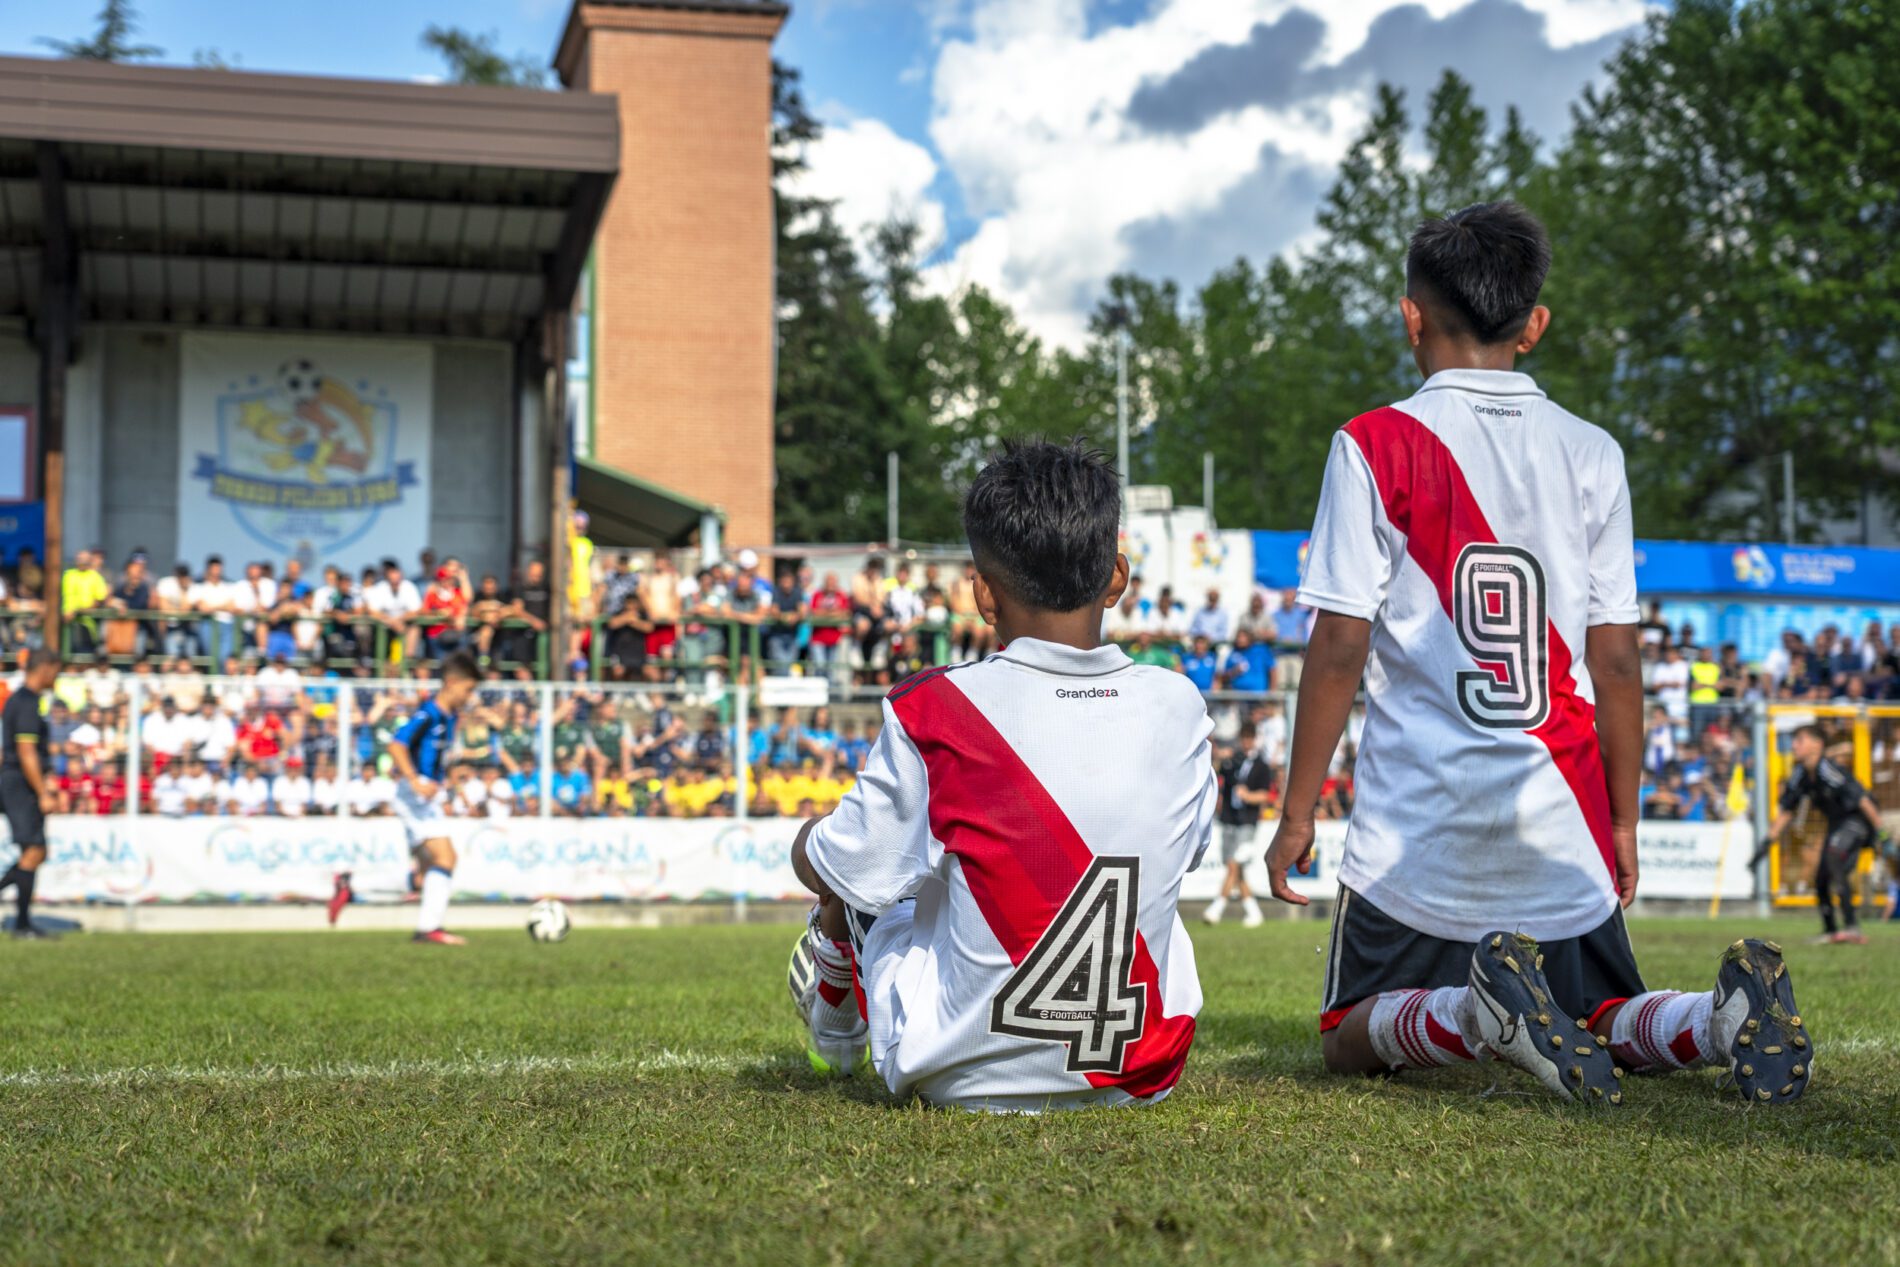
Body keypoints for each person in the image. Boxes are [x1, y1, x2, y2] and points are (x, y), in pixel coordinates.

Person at [1262, 201, 1811, 1106]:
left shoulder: (1371, 444)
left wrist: (1295, 813)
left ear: (1411, 316)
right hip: (1563, 818)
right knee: (1603, 1011)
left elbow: (1338, 648)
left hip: (1419, 839)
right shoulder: (1594, 452)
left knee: (1349, 1033)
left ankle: (1478, 1016)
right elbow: (1620, 662)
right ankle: (1714, 1021)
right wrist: (1623, 822)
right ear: (1536, 323)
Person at [785, 438, 1216, 1108]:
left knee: (875, 867)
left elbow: (845, 864)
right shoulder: (1180, 704)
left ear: (984, 595)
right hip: (1139, 1077)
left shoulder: (936, 708)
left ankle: (835, 984)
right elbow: (1185, 851)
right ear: (1117, 576)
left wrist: (807, 846)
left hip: (961, 1079)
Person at [328, 654, 481, 943]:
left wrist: (452, 792)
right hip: (414, 794)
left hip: (427, 794)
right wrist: (414, 781)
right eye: (468, 689)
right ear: (451, 683)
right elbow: (397, 745)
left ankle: (353, 886)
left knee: (425, 876)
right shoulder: (429, 713)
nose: (470, 696)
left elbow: (440, 760)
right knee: (446, 858)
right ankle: (429, 929)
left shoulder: (450, 718)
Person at [1769, 724, 1883, 945]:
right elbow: (1788, 809)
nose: (1794, 745)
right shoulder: (1801, 774)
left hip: (1857, 821)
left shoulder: (1828, 770)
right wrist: (1769, 839)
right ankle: (1831, 930)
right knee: (1821, 877)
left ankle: (1852, 928)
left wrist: (1882, 832)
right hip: (1837, 824)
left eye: (1799, 740)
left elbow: (1863, 800)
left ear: (1817, 745)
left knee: (1833, 859)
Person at [0, 649, 62, 937]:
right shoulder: (26, 702)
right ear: (46, 668)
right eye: (56, 670)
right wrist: (42, 792)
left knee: (35, 851)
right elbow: (26, 752)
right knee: (35, 850)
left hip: (20, 781)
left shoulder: (25, 700)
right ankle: (23, 924)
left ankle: (24, 924)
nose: (57, 677)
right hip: (20, 783)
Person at [1204, 721, 1273, 928]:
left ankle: (1217, 907)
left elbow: (1265, 795)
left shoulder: (1261, 765)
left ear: (1254, 740)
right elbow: (1214, 774)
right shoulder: (1232, 760)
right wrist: (1218, 758)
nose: (1246, 742)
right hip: (1229, 819)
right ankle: (1254, 912)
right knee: (1235, 866)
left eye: (1249, 738)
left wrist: (1248, 795)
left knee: (1235, 863)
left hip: (1247, 822)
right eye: (1243, 738)